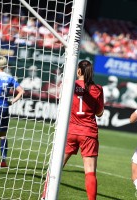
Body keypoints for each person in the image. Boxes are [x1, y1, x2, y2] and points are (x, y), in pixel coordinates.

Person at [42, 60, 104, 200]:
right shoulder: (98, 88)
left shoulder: (69, 85)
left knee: (56, 167)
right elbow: (99, 113)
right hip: (88, 132)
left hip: (69, 131)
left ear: (79, 71)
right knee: (90, 172)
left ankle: (45, 196)